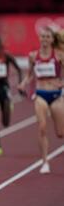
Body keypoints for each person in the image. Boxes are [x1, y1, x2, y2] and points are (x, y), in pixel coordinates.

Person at [18, 27, 64, 174]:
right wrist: (23, 83)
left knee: (60, 133)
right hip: (40, 94)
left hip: (56, 95)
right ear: (39, 38)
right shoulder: (33, 56)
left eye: (47, 37)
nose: (44, 39)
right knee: (42, 127)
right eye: (42, 37)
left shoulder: (59, 55)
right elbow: (30, 75)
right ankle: (45, 162)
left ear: (52, 39)